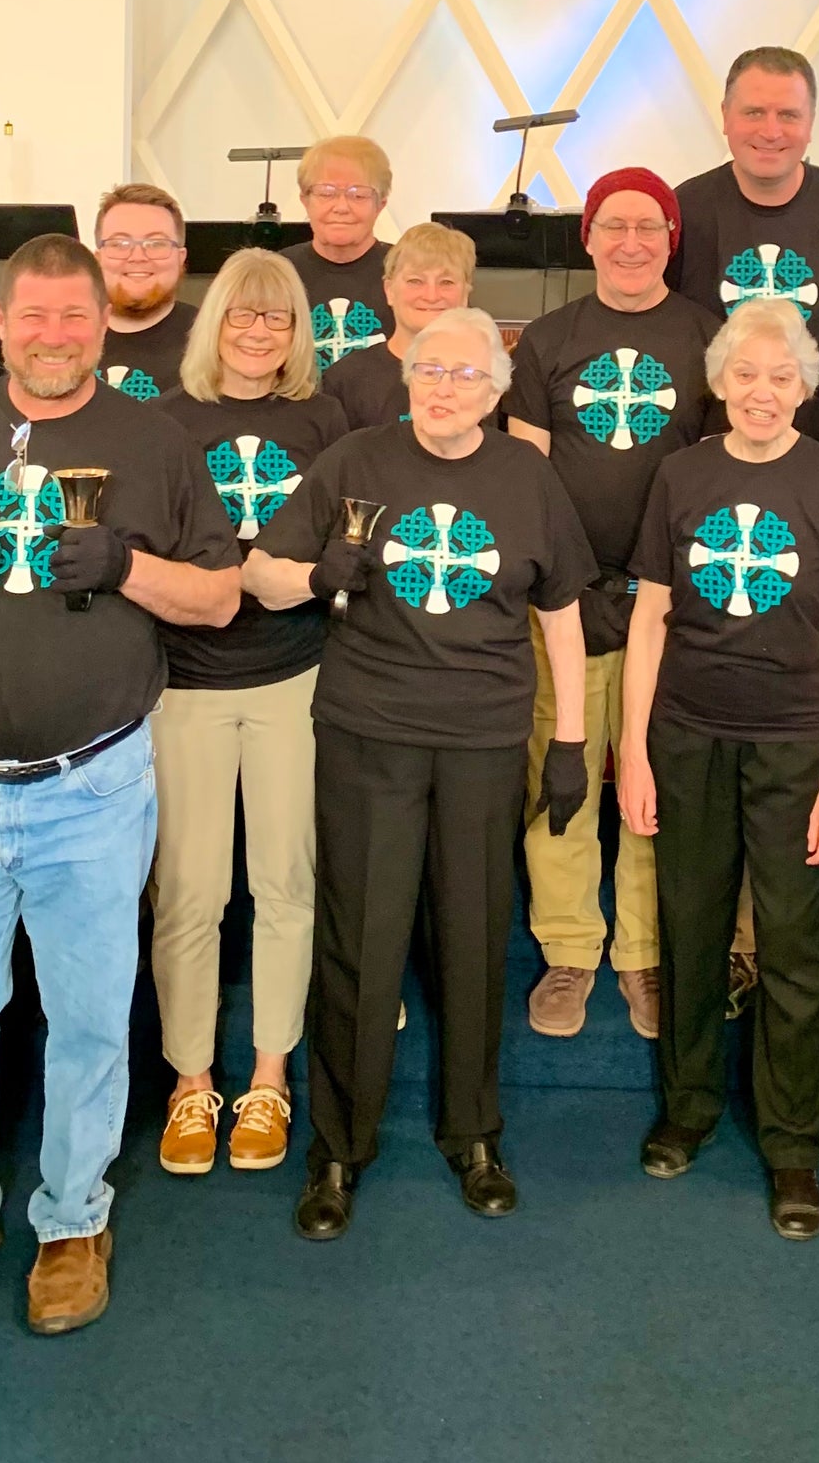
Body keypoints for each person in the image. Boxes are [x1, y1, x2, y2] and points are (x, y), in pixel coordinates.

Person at [0, 234, 242, 1335]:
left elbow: (215, 599)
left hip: (91, 785)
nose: (55, 335)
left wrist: (125, 565)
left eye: (75, 318)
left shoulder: (152, 440)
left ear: (100, 324)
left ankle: (73, 1219)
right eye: (34, 317)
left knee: (83, 1019)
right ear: (2, 321)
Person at [246, 307, 595, 1240]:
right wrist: (323, 572)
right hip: (369, 731)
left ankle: (474, 1131)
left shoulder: (527, 475)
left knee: (475, 935)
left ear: (497, 389)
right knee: (360, 935)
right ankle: (338, 1146)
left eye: (465, 375)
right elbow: (261, 575)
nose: (444, 388)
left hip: (483, 737)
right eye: (430, 370)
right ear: (408, 378)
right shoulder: (356, 461)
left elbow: (561, 613)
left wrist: (570, 742)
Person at [619, 297, 819, 1242]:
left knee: (797, 944)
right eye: (745, 376)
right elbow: (650, 619)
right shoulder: (680, 474)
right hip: (688, 735)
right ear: (718, 383)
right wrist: (633, 750)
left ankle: (793, 1143)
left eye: (781, 378)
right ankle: (688, 1105)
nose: (761, 393)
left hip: (796, 745)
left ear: (806, 389)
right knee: (689, 925)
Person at [145, 249, 348, 1177]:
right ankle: (192, 1081)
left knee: (284, 882)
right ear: (215, 319)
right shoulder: (167, 422)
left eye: (278, 319)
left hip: (290, 676)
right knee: (188, 889)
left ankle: (269, 1073)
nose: (259, 332)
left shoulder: (323, 418)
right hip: (184, 682)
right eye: (243, 315)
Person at [504, 167, 718, 1042]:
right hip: (567, 602)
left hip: (672, 603)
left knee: (653, 775)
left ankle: (642, 950)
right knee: (561, 773)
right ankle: (567, 946)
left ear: (672, 236)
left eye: (649, 226)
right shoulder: (549, 340)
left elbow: (717, 474)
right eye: (613, 225)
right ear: (587, 236)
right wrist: (574, 580)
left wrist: (653, 584)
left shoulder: (710, 337)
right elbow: (527, 474)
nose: (631, 242)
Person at [668, 45, 819, 447]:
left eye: (788, 115)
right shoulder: (682, 215)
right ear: (725, 117)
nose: (771, 131)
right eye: (753, 113)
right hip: (704, 467)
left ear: (811, 123)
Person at [321, 222, 473, 430]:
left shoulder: (485, 375)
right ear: (389, 290)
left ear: (466, 293)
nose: (431, 295)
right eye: (415, 281)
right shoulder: (344, 380)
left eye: (446, 282)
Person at [283, 135, 396, 371]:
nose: (342, 207)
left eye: (358, 194)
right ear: (305, 200)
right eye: (326, 193)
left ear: (381, 204)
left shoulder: (408, 273)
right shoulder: (277, 272)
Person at [94, 181, 197, 400]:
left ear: (181, 258)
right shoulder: (64, 336)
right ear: (97, 258)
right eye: (120, 243)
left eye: (156, 243)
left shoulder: (215, 341)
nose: (138, 257)